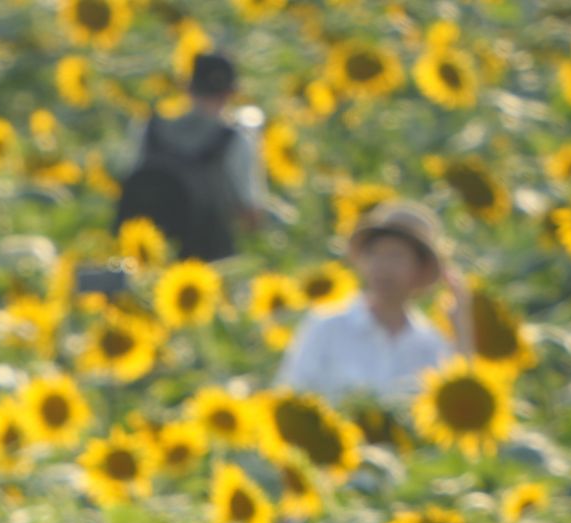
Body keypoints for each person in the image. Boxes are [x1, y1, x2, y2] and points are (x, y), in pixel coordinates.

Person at [276, 198, 475, 402]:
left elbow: (461, 407)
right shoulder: (327, 325)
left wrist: (462, 330)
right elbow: (291, 393)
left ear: (419, 270)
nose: (382, 267)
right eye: (374, 254)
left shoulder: (430, 346)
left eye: (396, 256)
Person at [111, 51, 270, 264]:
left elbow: (124, 185)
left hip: (141, 260)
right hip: (206, 267)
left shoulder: (149, 129)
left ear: (187, 88)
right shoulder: (234, 141)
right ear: (231, 93)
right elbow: (250, 216)